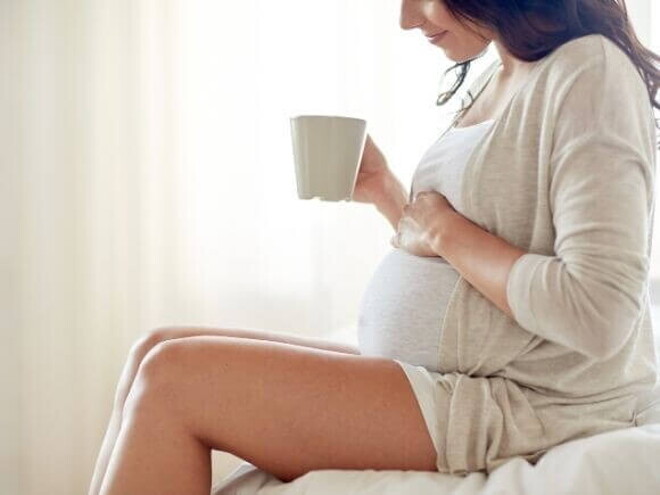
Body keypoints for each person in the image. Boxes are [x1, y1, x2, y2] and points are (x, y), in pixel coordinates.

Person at [90, 1, 660, 494]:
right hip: (454, 377)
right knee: (155, 348)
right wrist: (389, 195)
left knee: (175, 379)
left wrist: (442, 229)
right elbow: (478, 254)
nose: (406, 19)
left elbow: (599, 312)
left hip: (530, 404)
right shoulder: (504, 72)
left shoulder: (590, 71)